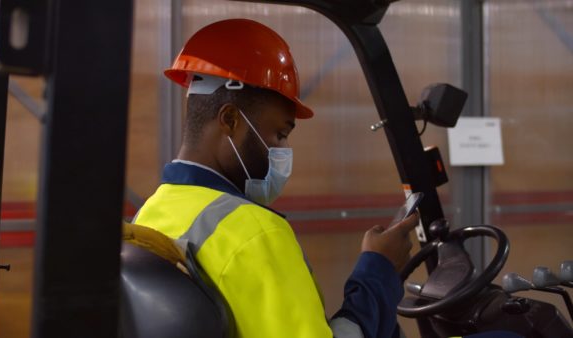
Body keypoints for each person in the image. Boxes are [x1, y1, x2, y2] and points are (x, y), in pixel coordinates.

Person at [133, 18, 418, 338]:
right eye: (280, 134)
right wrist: (378, 269)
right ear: (229, 119)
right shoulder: (253, 231)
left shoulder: (154, 211)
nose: (283, 150)